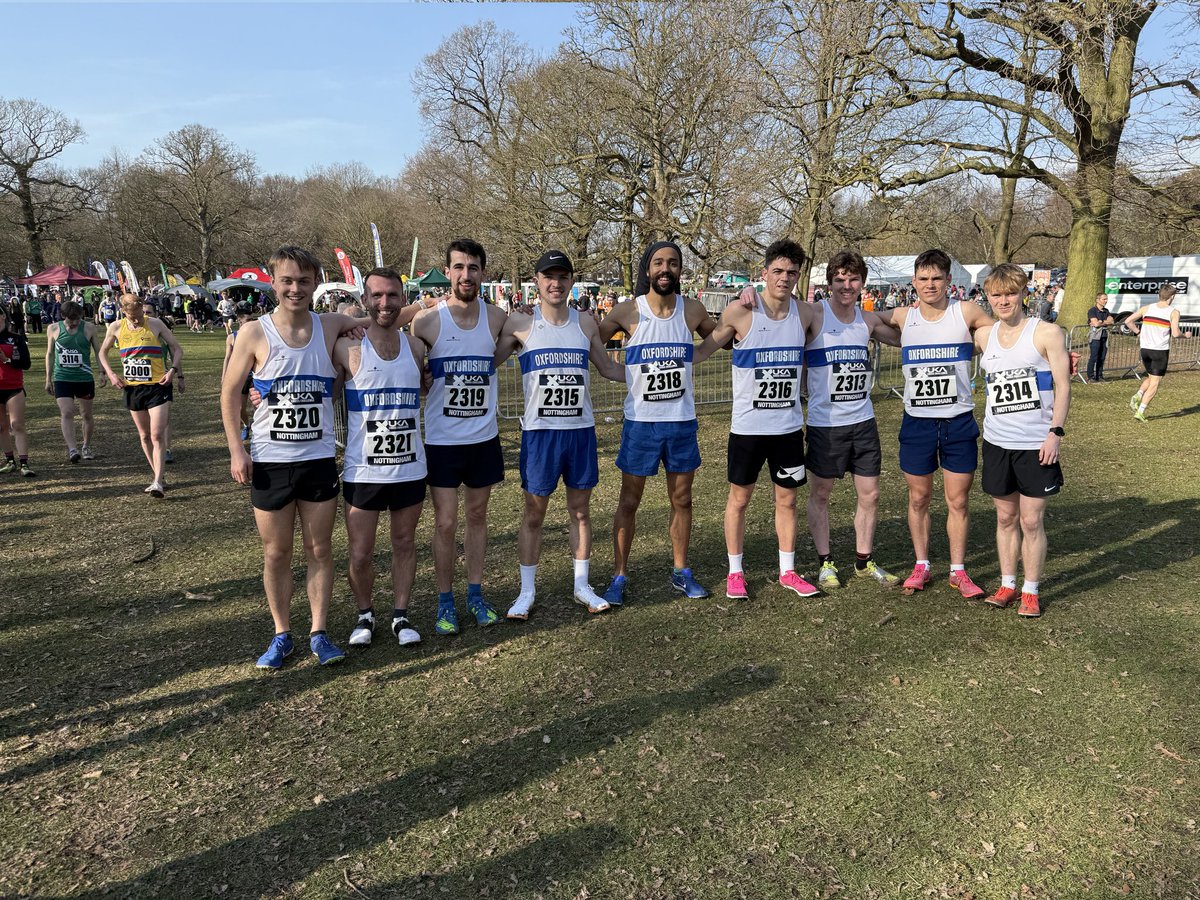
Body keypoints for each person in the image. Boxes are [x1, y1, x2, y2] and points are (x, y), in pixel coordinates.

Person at [221, 245, 365, 670]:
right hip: (270, 460)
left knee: (320, 549)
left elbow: (379, 317)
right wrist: (236, 449)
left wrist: (435, 304)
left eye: (304, 281)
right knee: (276, 552)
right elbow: (230, 393)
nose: (295, 289)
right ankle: (282, 634)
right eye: (286, 280)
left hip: (318, 459)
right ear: (272, 281)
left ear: (316, 283)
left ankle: (319, 632)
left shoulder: (331, 325)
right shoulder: (253, 332)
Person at [493, 249, 625, 620]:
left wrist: (647, 375)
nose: (556, 283)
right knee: (534, 516)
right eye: (548, 276)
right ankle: (526, 591)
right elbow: (486, 359)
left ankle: (581, 585)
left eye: (562, 276)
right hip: (540, 435)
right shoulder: (521, 324)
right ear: (537, 281)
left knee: (580, 512)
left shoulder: (585, 324)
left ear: (570, 281)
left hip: (579, 432)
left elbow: (608, 369)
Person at [694, 239, 821, 600]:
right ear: (764, 272)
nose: (784, 278)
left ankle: (788, 571)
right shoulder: (741, 311)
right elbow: (703, 350)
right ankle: (735, 572)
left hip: (787, 430)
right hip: (747, 429)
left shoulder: (807, 313)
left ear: (799, 276)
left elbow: (842, 323)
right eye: (777, 271)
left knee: (788, 501)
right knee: (739, 500)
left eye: (791, 273)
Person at [597, 240, 718, 605]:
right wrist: (619, 373)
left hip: (681, 422)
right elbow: (590, 342)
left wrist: (702, 350)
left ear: (680, 270)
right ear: (647, 269)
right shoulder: (626, 312)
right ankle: (619, 575)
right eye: (658, 263)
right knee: (630, 501)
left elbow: (725, 337)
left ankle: (681, 571)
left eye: (673, 263)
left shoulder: (692, 310)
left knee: (682, 499)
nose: (665, 269)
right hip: (641, 424)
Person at [876, 249, 993, 598]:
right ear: (913, 282)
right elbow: (860, 319)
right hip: (918, 423)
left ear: (949, 281)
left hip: (957, 422)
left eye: (937, 278)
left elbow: (1002, 336)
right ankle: (922, 564)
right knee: (919, 498)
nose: (930, 285)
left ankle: (958, 570)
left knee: (958, 500)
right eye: (923, 279)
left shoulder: (966, 311)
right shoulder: (902, 316)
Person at [410, 239, 508, 635]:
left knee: (478, 517)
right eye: (459, 267)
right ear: (447, 272)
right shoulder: (428, 321)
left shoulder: (498, 318)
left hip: (483, 437)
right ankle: (445, 601)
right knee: (446, 523)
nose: (466, 275)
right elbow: (409, 367)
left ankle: (476, 594)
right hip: (442, 440)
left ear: (483, 272)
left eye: (473, 267)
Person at [339, 269, 429, 649]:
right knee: (360, 552)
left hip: (410, 466)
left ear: (402, 298)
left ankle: (400, 614)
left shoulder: (417, 347)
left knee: (404, 543)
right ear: (364, 298)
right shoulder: (345, 347)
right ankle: (364, 614)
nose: (385, 303)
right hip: (363, 469)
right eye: (376, 295)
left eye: (393, 295)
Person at [803, 250, 903, 590]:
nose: (847, 286)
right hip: (825, 423)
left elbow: (908, 338)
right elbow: (776, 312)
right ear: (830, 282)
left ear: (863, 282)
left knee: (870, 494)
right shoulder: (815, 314)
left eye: (854, 279)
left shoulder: (868, 320)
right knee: (821, 492)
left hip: (863, 421)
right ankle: (825, 562)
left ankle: (864, 560)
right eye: (840, 279)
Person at [975, 264, 1071, 618]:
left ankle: (1030, 590)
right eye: (996, 294)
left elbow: (1063, 385)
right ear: (988, 296)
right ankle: (1007, 583)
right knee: (1004, 519)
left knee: (1031, 521)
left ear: (1022, 294)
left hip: (1036, 443)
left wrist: (1055, 433)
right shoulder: (984, 337)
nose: (1004, 300)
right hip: (998, 442)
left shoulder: (1046, 333)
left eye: (1010, 293)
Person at [98, 294, 183, 497]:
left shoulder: (155, 324)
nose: (137, 318)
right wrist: (110, 374)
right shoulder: (116, 327)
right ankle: (158, 475)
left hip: (158, 386)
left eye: (139, 314)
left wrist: (172, 370)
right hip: (133, 388)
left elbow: (176, 348)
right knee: (144, 436)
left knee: (156, 434)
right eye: (132, 315)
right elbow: (102, 352)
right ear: (123, 312)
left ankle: (157, 482)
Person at [44, 300, 104, 462]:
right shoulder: (53, 329)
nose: (75, 323)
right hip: (62, 378)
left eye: (77, 319)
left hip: (84, 378)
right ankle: (72, 449)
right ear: (63, 316)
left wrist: (101, 372)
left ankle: (86, 445)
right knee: (67, 412)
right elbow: (49, 354)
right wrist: (48, 379)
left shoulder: (89, 328)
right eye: (71, 320)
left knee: (86, 414)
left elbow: (99, 352)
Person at [1125, 284, 1182, 423]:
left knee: (1151, 377)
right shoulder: (1173, 312)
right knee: (1155, 382)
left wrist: (1138, 332)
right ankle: (1141, 411)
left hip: (1145, 350)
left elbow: (1128, 321)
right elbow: (1175, 333)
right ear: (1172, 297)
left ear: (1159, 295)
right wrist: (1185, 335)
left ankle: (1138, 395)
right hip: (1159, 351)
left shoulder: (1147, 308)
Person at [0, 306, 34, 476]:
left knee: (17, 425)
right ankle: (9, 461)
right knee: (1, 427)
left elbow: (26, 364)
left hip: (13, 387)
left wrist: (7, 360)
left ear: (3, 317)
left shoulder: (15, 338)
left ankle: (24, 464)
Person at [221, 303, 256, 441]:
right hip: (240, 377)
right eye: (247, 320)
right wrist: (224, 376)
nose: (250, 323)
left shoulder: (256, 336)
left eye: (252, 320)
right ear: (239, 321)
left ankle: (257, 432)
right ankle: (247, 425)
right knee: (240, 408)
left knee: (257, 405)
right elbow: (227, 358)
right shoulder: (232, 338)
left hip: (254, 376)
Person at [1086, 293, 1115, 382]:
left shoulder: (1106, 311)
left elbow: (1112, 321)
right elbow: (1095, 323)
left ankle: (1100, 375)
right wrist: (1104, 322)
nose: (1106, 301)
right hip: (1095, 337)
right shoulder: (1092, 311)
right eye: (1104, 299)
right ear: (1098, 300)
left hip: (1104, 336)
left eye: (1106, 299)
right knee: (1094, 356)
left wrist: (1101, 321)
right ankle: (1090, 376)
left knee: (1102, 357)